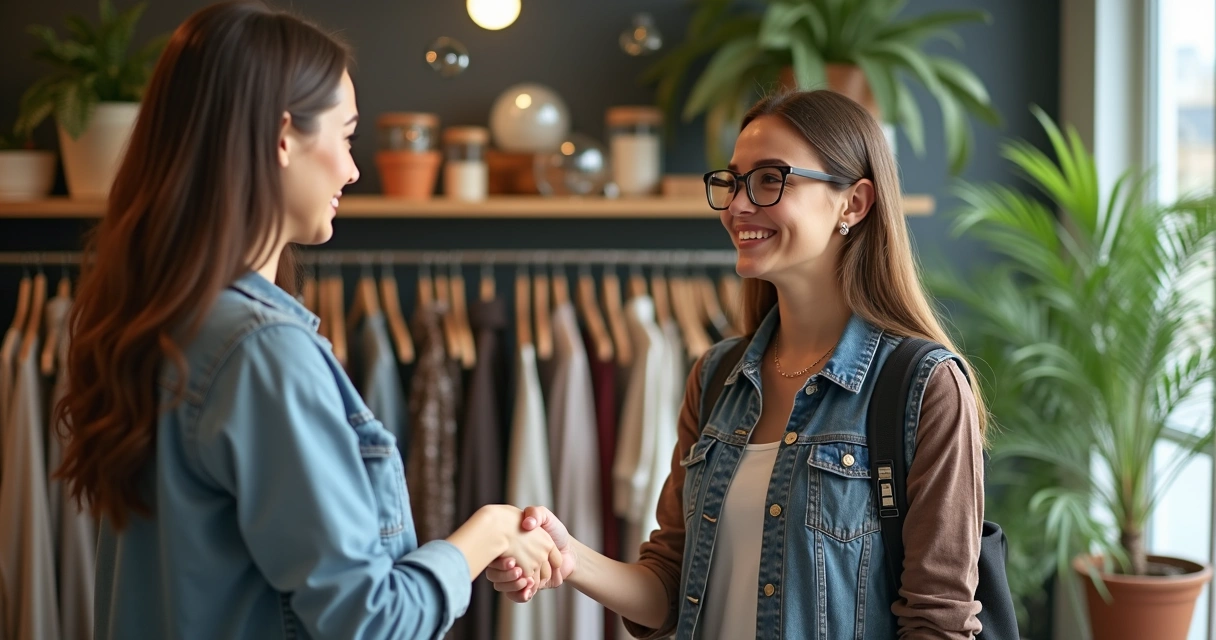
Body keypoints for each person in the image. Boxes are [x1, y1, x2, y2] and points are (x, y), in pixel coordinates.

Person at [53, 2, 559, 638]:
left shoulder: (163, 322)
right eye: (346, 136)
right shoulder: (260, 352)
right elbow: (369, 621)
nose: (352, 168)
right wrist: (486, 533)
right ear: (283, 136)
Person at [488, 89, 988, 639]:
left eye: (770, 179)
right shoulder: (716, 378)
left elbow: (938, 622)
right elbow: (669, 589)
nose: (737, 205)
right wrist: (569, 556)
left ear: (855, 202)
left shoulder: (924, 387)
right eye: (732, 181)